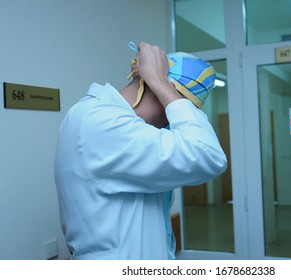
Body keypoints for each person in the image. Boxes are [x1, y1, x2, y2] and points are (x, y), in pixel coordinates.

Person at [54, 42, 227, 260]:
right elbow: (208, 155)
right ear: (157, 88)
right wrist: (162, 84)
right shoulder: (98, 121)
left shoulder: (132, 131)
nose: (170, 121)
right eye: (176, 106)